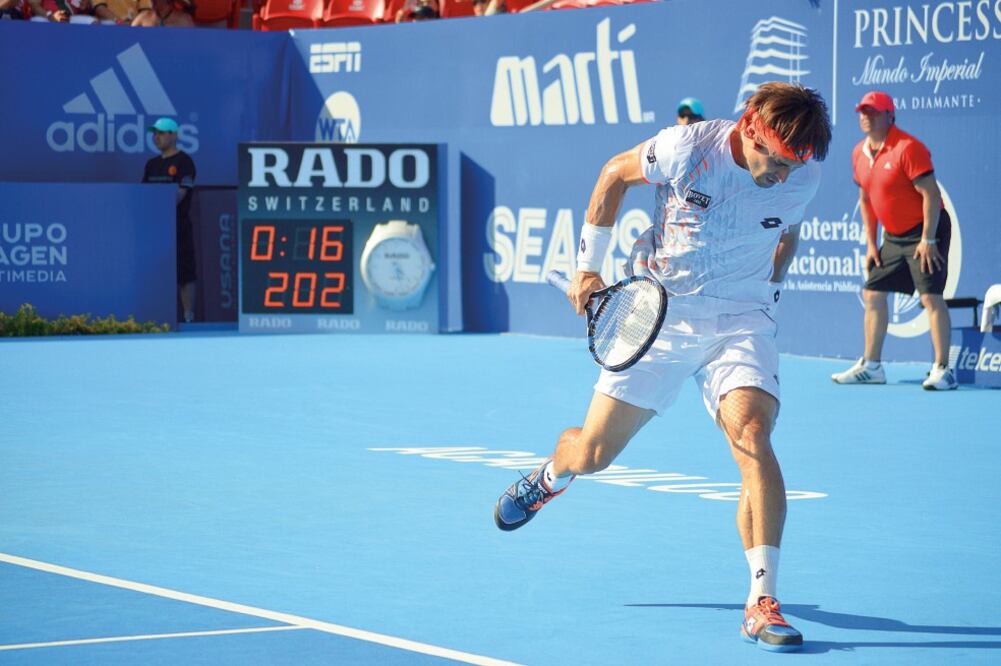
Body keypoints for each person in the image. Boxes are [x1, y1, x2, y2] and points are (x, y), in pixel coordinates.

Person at [493, 82, 832, 653]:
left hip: (741, 318)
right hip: (660, 312)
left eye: (791, 167)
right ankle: (552, 476)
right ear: (750, 127)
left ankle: (762, 600)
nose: (781, 176)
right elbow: (613, 175)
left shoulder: (803, 176)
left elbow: (786, 233)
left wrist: (771, 290)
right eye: (774, 162)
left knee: (752, 436)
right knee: (592, 453)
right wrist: (588, 268)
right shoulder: (688, 147)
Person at [831, 91, 956, 390]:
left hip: (927, 230)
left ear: (890, 115)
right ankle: (872, 366)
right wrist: (871, 245)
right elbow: (866, 200)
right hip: (893, 236)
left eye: (873, 112)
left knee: (930, 298)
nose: (866, 117)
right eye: (863, 112)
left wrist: (928, 239)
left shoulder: (908, 148)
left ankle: (943, 370)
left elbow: (931, 194)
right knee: (873, 293)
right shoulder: (858, 153)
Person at [142, 117, 198, 324]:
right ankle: (156, 317)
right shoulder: (151, 165)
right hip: (154, 229)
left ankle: (188, 317)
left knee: (185, 273)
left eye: (161, 133)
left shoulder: (185, 162)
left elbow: (181, 193)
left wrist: (158, 207)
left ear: (174, 135)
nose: (156, 137)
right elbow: (143, 196)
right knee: (155, 273)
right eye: (154, 133)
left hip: (178, 228)